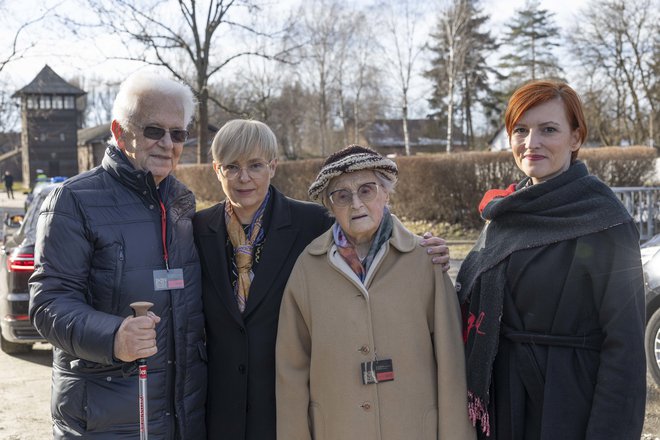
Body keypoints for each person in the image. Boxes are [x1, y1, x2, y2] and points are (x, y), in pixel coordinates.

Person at [193, 120, 451, 440]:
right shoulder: (196, 230)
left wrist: (424, 246)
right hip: (220, 411)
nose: (243, 177)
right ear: (216, 169)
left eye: (255, 165)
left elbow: (369, 233)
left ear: (273, 166)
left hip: (287, 407)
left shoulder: (311, 222)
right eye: (231, 167)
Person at [456, 80, 646, 439]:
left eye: (549, 129)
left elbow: (625, 351)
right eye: (521, 130)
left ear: (576, 138)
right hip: (499, 406)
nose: (531, 143)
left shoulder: (605, 221)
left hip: (566, 407)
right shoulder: (506, 215)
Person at [29, 71, 206, 439]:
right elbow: (48, 304)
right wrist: (114, 336)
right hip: (107, 419)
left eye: (179, 134)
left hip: (180, 418)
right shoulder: (73, 201)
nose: (167, 143)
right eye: (153, 130)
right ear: (120, 131)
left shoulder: (182, 203)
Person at [275, 145, 475, 439]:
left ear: (385, 193)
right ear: (330, 207)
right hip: (338, 428)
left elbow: (450, 363)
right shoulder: (308, 267)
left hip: (413, 428)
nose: (356, 203)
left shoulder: (425, 260)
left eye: (366, 190)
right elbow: (291, 370)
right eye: (342, 195)